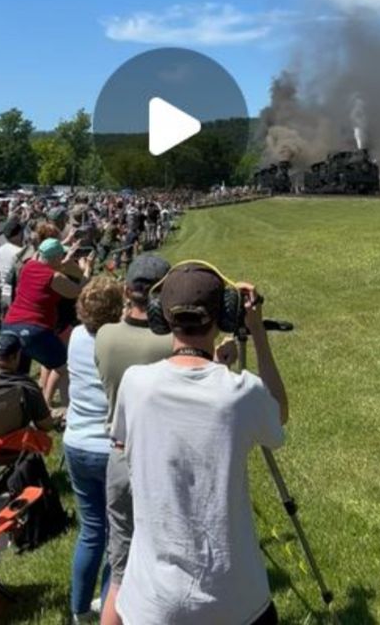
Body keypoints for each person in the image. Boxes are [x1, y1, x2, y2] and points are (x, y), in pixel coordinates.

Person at [109, 262, 289, 625]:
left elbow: (131, 440)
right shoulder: (241, 392)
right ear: (224, 314)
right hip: (236, 599)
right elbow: (278, 415)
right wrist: (257, 333)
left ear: (161, 316)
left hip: (152, 602)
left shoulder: (135, 384)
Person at [96, 255, 174, 625]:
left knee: (120, 566)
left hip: (120, 454)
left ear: (128, 290)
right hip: (162, 458)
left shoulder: (105, 335)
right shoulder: (171, 343)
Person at [64, 276, 125, 624]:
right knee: (118, 535)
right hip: (108, 447)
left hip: (76, 443)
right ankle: (109, 605)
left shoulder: (75, 336)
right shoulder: (117, 345)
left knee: (91, 530)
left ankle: (78, 609)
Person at [2, 238, 88, 406]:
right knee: (64, 367)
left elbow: (48, 263)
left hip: (10, 324)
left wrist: (66, 258)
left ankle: (15, 411)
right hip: (34, 328)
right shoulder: (53, 276)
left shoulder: (28, 266)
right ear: (55, 257)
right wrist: (86, 270)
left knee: (18, 376)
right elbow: (77, 292)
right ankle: (67, 411)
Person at [0, 217, 25, 311]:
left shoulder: (0, 250)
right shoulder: (20, 252)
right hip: (16, 294)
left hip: (4, 292)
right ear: (18, 234)